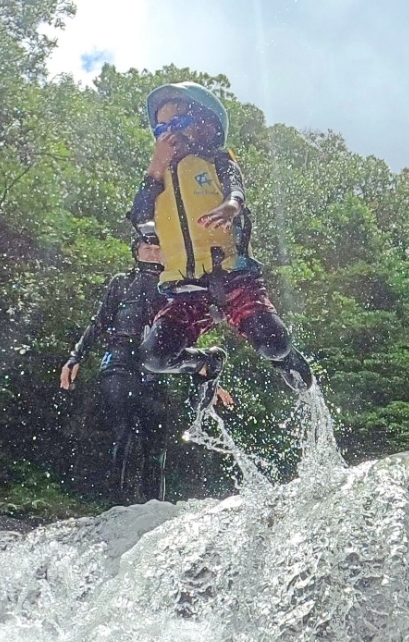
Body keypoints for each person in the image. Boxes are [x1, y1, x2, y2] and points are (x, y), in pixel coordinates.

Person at [130, 81, 314, 411]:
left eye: (178, 123)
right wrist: (156, 165)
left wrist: (230, 207)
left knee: (273, 343)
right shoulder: (157, 181)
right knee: (153, 357)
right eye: (161, 128)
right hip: (186, 289)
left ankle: (285, 359)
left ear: (205, 126)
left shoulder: (218, 162)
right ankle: (205, 364)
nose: (169, 134)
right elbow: (140, 215)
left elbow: (235, 190)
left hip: (233, 278)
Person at [61, 237, 227, 502]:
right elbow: (100, 321)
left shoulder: (174, 287)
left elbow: (182, 336)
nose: (152, 253)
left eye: (158, 248)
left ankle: (155, 507)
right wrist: (75, 356)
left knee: (156, 442)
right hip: (120, 361)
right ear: (136, 252)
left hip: (155, 369)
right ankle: (116, 503)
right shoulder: (122, 282)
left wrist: (203, 373)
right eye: (146, 248)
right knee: (123, 430)